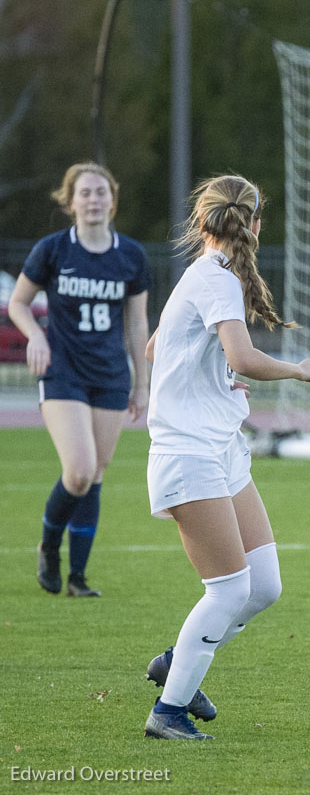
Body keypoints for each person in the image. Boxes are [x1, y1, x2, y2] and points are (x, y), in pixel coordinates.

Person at [142, 175, 310, 740]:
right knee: (228, 590)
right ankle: (167, 715)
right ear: (255, 223)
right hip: (189, 453)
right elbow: (241, 356)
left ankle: (179, 662)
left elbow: (157, 349)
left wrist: (217, 379)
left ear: (202, 222)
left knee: (263, 585)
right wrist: (297, 369)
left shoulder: (207, 274)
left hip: (221, 448)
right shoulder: (217, 278)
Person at [7, 162, 152, 598]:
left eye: (101, 192)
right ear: (70, 202)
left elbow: (137, 325)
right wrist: (36, 335)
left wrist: (141, 383)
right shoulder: (53, 250)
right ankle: (49, 546)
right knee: (80, 470)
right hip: (63, 372)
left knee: (97, 475)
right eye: (85, 193)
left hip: (109, 375)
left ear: (113, 199)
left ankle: (78, 579)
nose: (94, 200)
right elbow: (17, 303)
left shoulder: (131, 255)